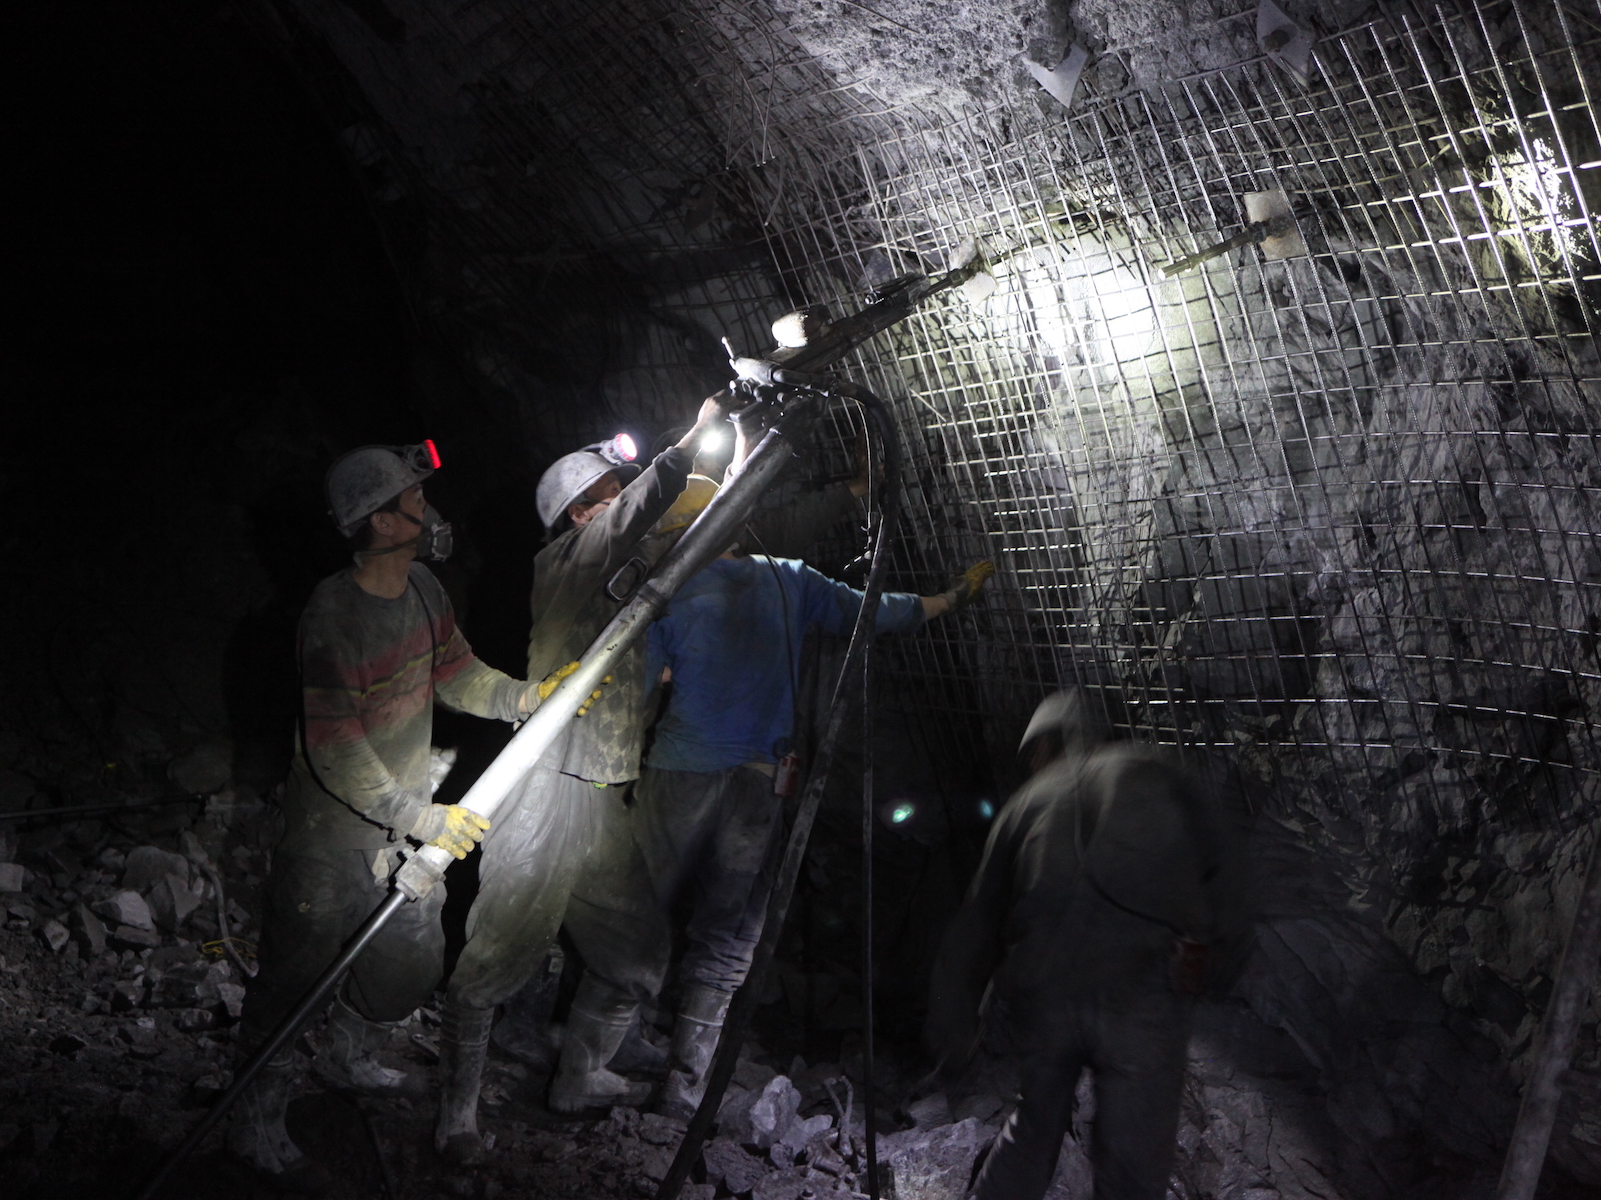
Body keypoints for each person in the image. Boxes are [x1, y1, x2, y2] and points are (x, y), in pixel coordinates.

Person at [635, 448, 995, 1118]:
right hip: (758, 780)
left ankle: (611, 1046)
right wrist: (952, 599)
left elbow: (644, 681)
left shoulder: (666, 590)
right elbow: (875, 613)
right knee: (729, 929)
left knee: (640, 906)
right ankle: (683, 1085)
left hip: (679, 771)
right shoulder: (790, 580)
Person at [231, 441, 545, 1192]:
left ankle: (348, 1055)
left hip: (403, 809)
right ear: (377, 522)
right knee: (297, 976)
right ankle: (253, 1123)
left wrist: (524, 698)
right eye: (414, 502)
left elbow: (458, 672)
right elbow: (335, 753)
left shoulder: (427, 591)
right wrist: (423, 819)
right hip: (332, 830)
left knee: (406, 960)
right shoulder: (332, 617)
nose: (429, 514)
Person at [436, 394, 731, 1161]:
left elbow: (700, 517)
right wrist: (692, 436)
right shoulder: (567, 561)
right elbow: (645, 506)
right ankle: (456, 1113)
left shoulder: (626, 578)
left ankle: (581, 1077)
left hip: (601, 795)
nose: (624, 509)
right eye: (608, 497)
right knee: (494, 958)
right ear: (579, 516)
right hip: (543, 789)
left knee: (637, 954)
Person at [926, 692, 1253, 1200]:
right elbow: (1228, 870)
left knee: (1033, 1127)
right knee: (1134, 1156)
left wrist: (952, 1024)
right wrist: (1219, 958)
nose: (1033, 764)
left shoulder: (1023, 805)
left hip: (1047, 991)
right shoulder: (1155, 768)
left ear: (1047, 745)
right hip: (1141, 991)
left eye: (1034, 753)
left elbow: (975, 924)